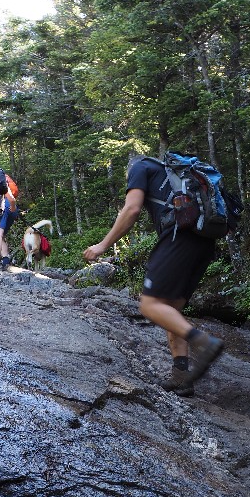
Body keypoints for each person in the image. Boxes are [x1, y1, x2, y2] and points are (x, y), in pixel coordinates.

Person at [83, 154, 224, 396]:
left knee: (149, 306)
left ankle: (204, 343)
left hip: (179, 237)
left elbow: (132, 209)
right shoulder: (170, 174)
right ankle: (181, 376)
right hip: (204, 242)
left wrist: (102, 245)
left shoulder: (139, 167)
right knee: (170, 309)